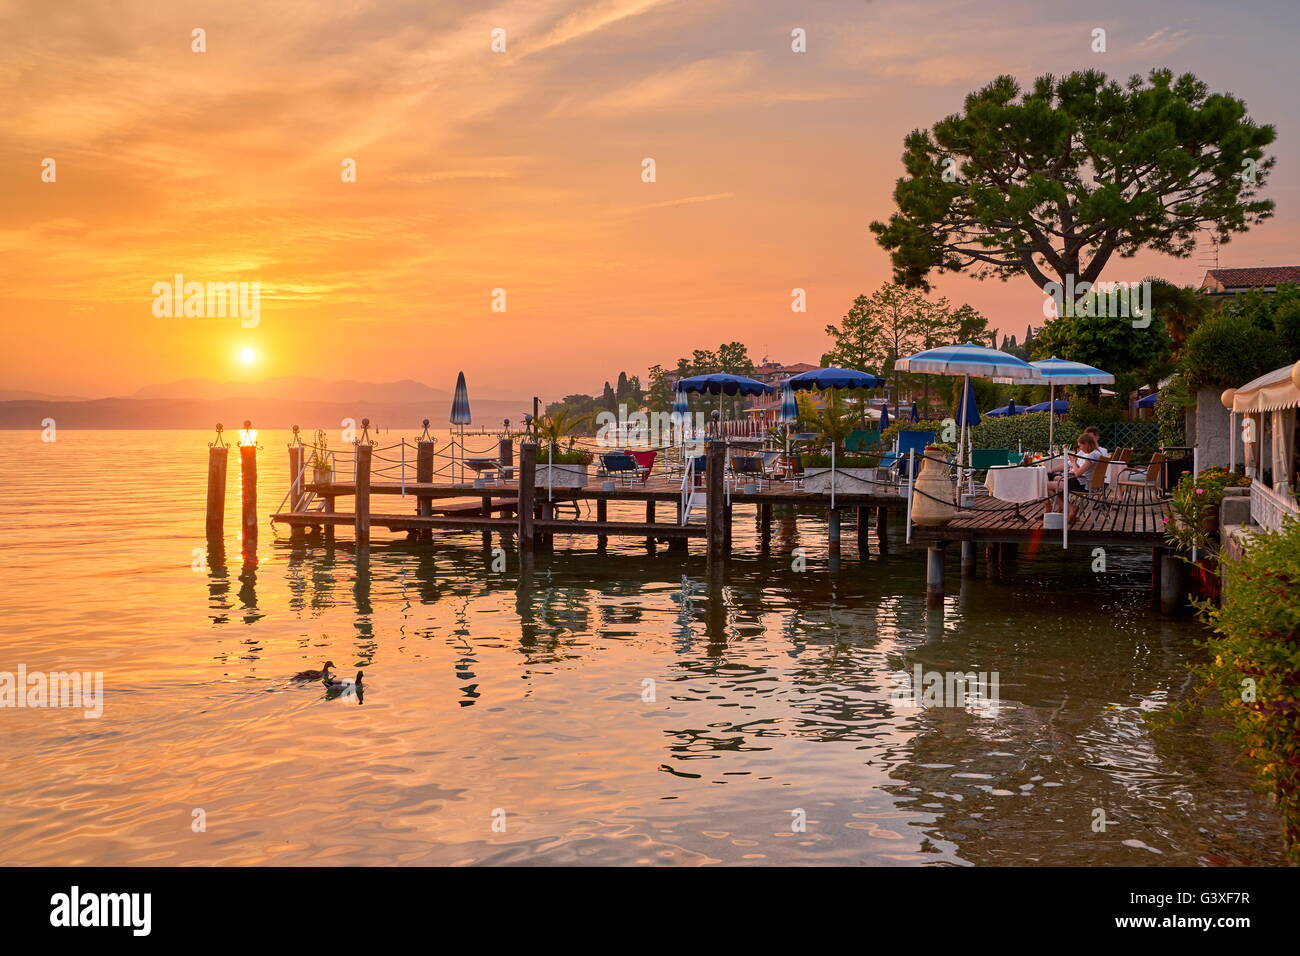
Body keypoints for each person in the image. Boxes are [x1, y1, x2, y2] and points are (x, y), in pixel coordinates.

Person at [1048, 433, 1103, 520]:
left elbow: (1078, 474)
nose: (1080, 448)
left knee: (1046, 486)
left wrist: (1073, 462)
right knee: (1056, 479)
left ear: (1087, 444)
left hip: (1084, 485)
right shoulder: (1096, 453)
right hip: (1086, 483)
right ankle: (1067, 508)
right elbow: (1081, 470)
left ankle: (1070, 509)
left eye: (1081, 446)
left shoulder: (1092, 455)